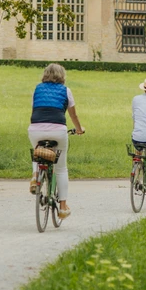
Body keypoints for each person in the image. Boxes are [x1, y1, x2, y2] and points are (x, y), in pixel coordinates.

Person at [28, 63, 84, 219]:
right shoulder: (66, 91)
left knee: (37, 152)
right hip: (58, 131)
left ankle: (35, 176)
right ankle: (63, 206)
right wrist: (79, 129)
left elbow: (34, 109)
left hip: (35, 129)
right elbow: (73, 115)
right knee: (61, 169)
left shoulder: (37, 89)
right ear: (62, 76)